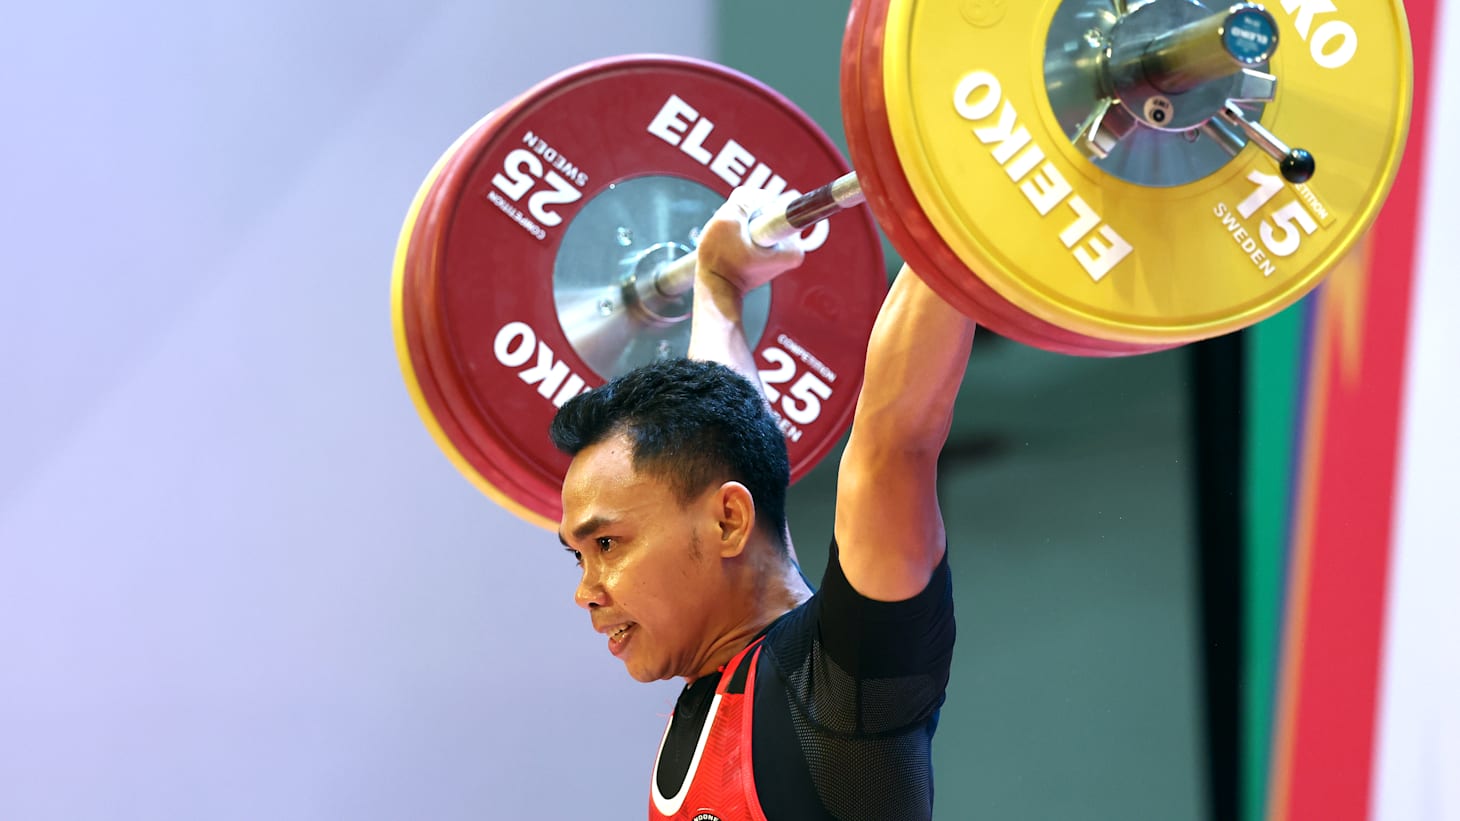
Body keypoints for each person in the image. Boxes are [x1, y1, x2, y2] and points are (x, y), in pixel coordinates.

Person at [549, 186, 977, 821]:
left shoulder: (841, 690)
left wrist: (965, 206)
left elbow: (895, 441)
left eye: (606, 544)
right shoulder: (719, 691)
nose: (586, 591)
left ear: (729, 523)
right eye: (580, 556)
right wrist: (718, 286)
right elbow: (722, 449)